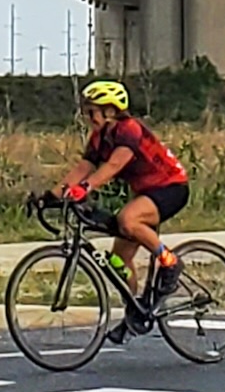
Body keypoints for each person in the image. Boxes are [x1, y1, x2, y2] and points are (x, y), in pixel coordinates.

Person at [59, 79, 188, 333]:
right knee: (118, 261)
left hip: (171, 187)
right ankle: (134, 315)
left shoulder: (129, 129)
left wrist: (86, 188)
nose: (88, 117)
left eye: (92, 112)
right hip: (146, 192)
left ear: (110, 110)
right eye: (86, 112)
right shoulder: (99, 138)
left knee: (128, 219)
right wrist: (51, 196)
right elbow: (83, 168)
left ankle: (169, 261)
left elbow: (115, 164)